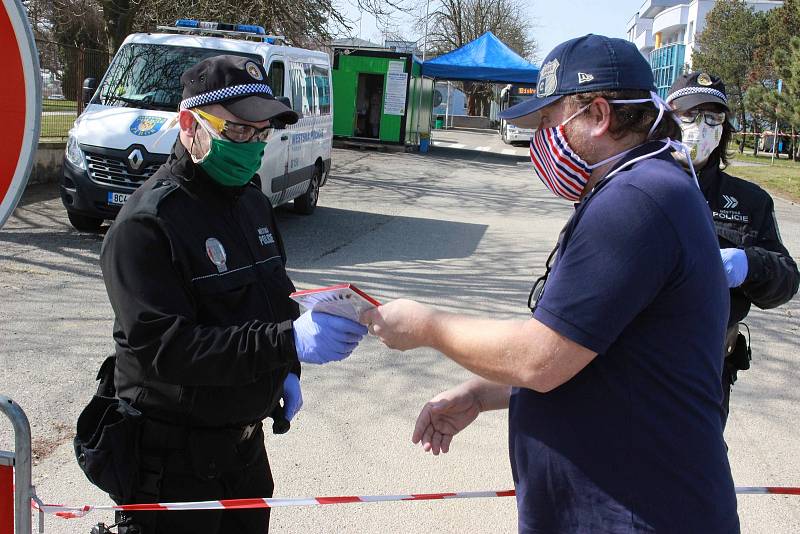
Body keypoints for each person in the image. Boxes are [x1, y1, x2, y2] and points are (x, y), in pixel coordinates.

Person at [361, 35, 740, 533]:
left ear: (599, 114)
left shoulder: (636, 200)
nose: (542, 139)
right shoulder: (646, 187)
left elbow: (541, 359)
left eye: (549, 121)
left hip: (638, 512)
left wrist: (428, 326)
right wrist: (481, 393)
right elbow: (589, 348)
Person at [97, 55, 367, 534]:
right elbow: (169, 349)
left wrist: (287, 368)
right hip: (172, 470)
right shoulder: (146, 225)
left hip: (243, 457)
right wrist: (287, 343)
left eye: (262, 133)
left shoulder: (253, 204)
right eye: (238, 131)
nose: (252, 145)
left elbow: (274, 300)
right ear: (189, 125)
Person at [666, 72, 800, 425]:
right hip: (635, 360)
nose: (702, 126)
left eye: (714, 117)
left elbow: (786, 282)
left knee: (695, 468)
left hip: (709, 369)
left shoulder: (748, 201)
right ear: (667, 119)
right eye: (691, 115)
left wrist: (748, 264)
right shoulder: (628, 185)